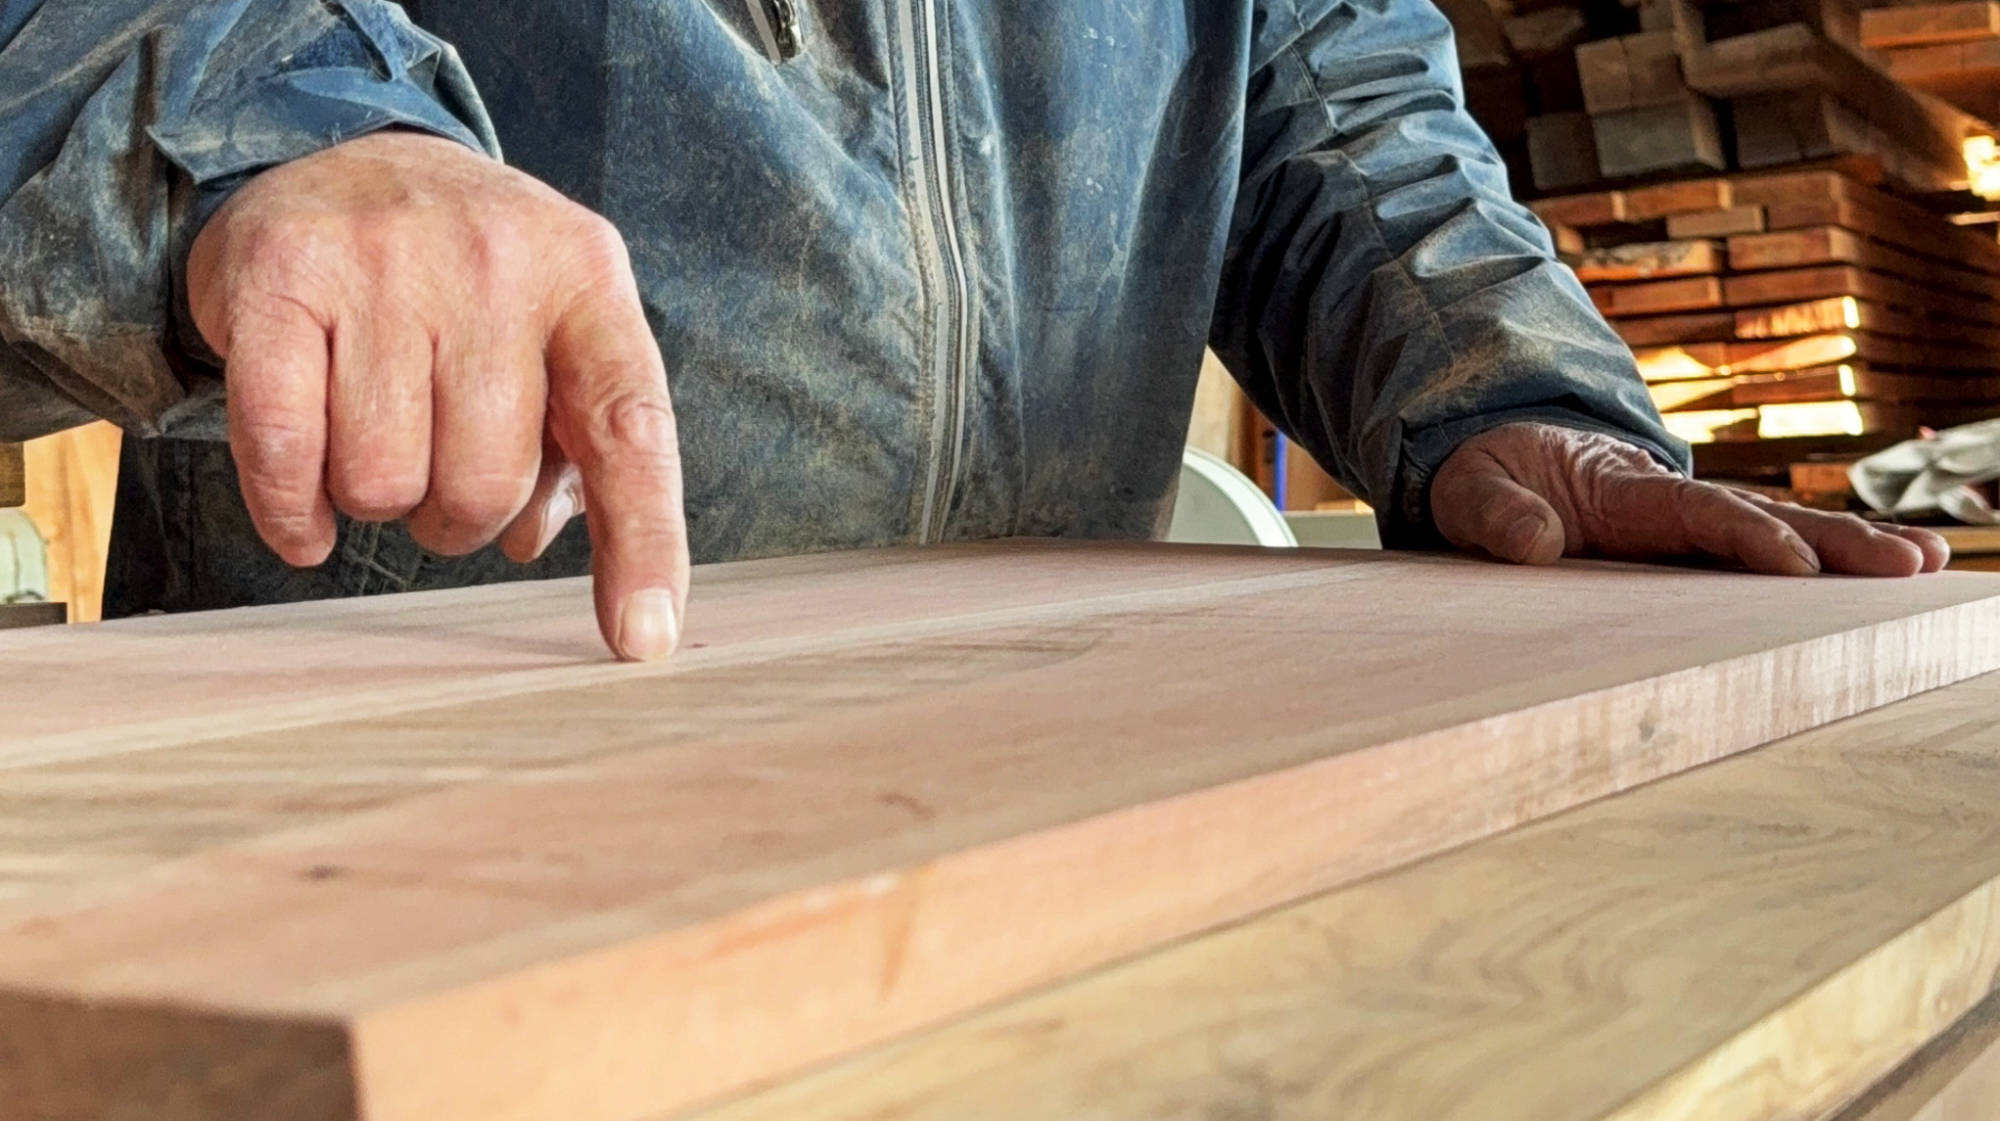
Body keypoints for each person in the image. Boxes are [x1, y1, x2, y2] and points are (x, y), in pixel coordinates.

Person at [0, 0, 1949, 662]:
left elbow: (1322, 82)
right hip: (403, 795)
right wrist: (274, 134)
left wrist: (1501, 391)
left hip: (1038, 767)